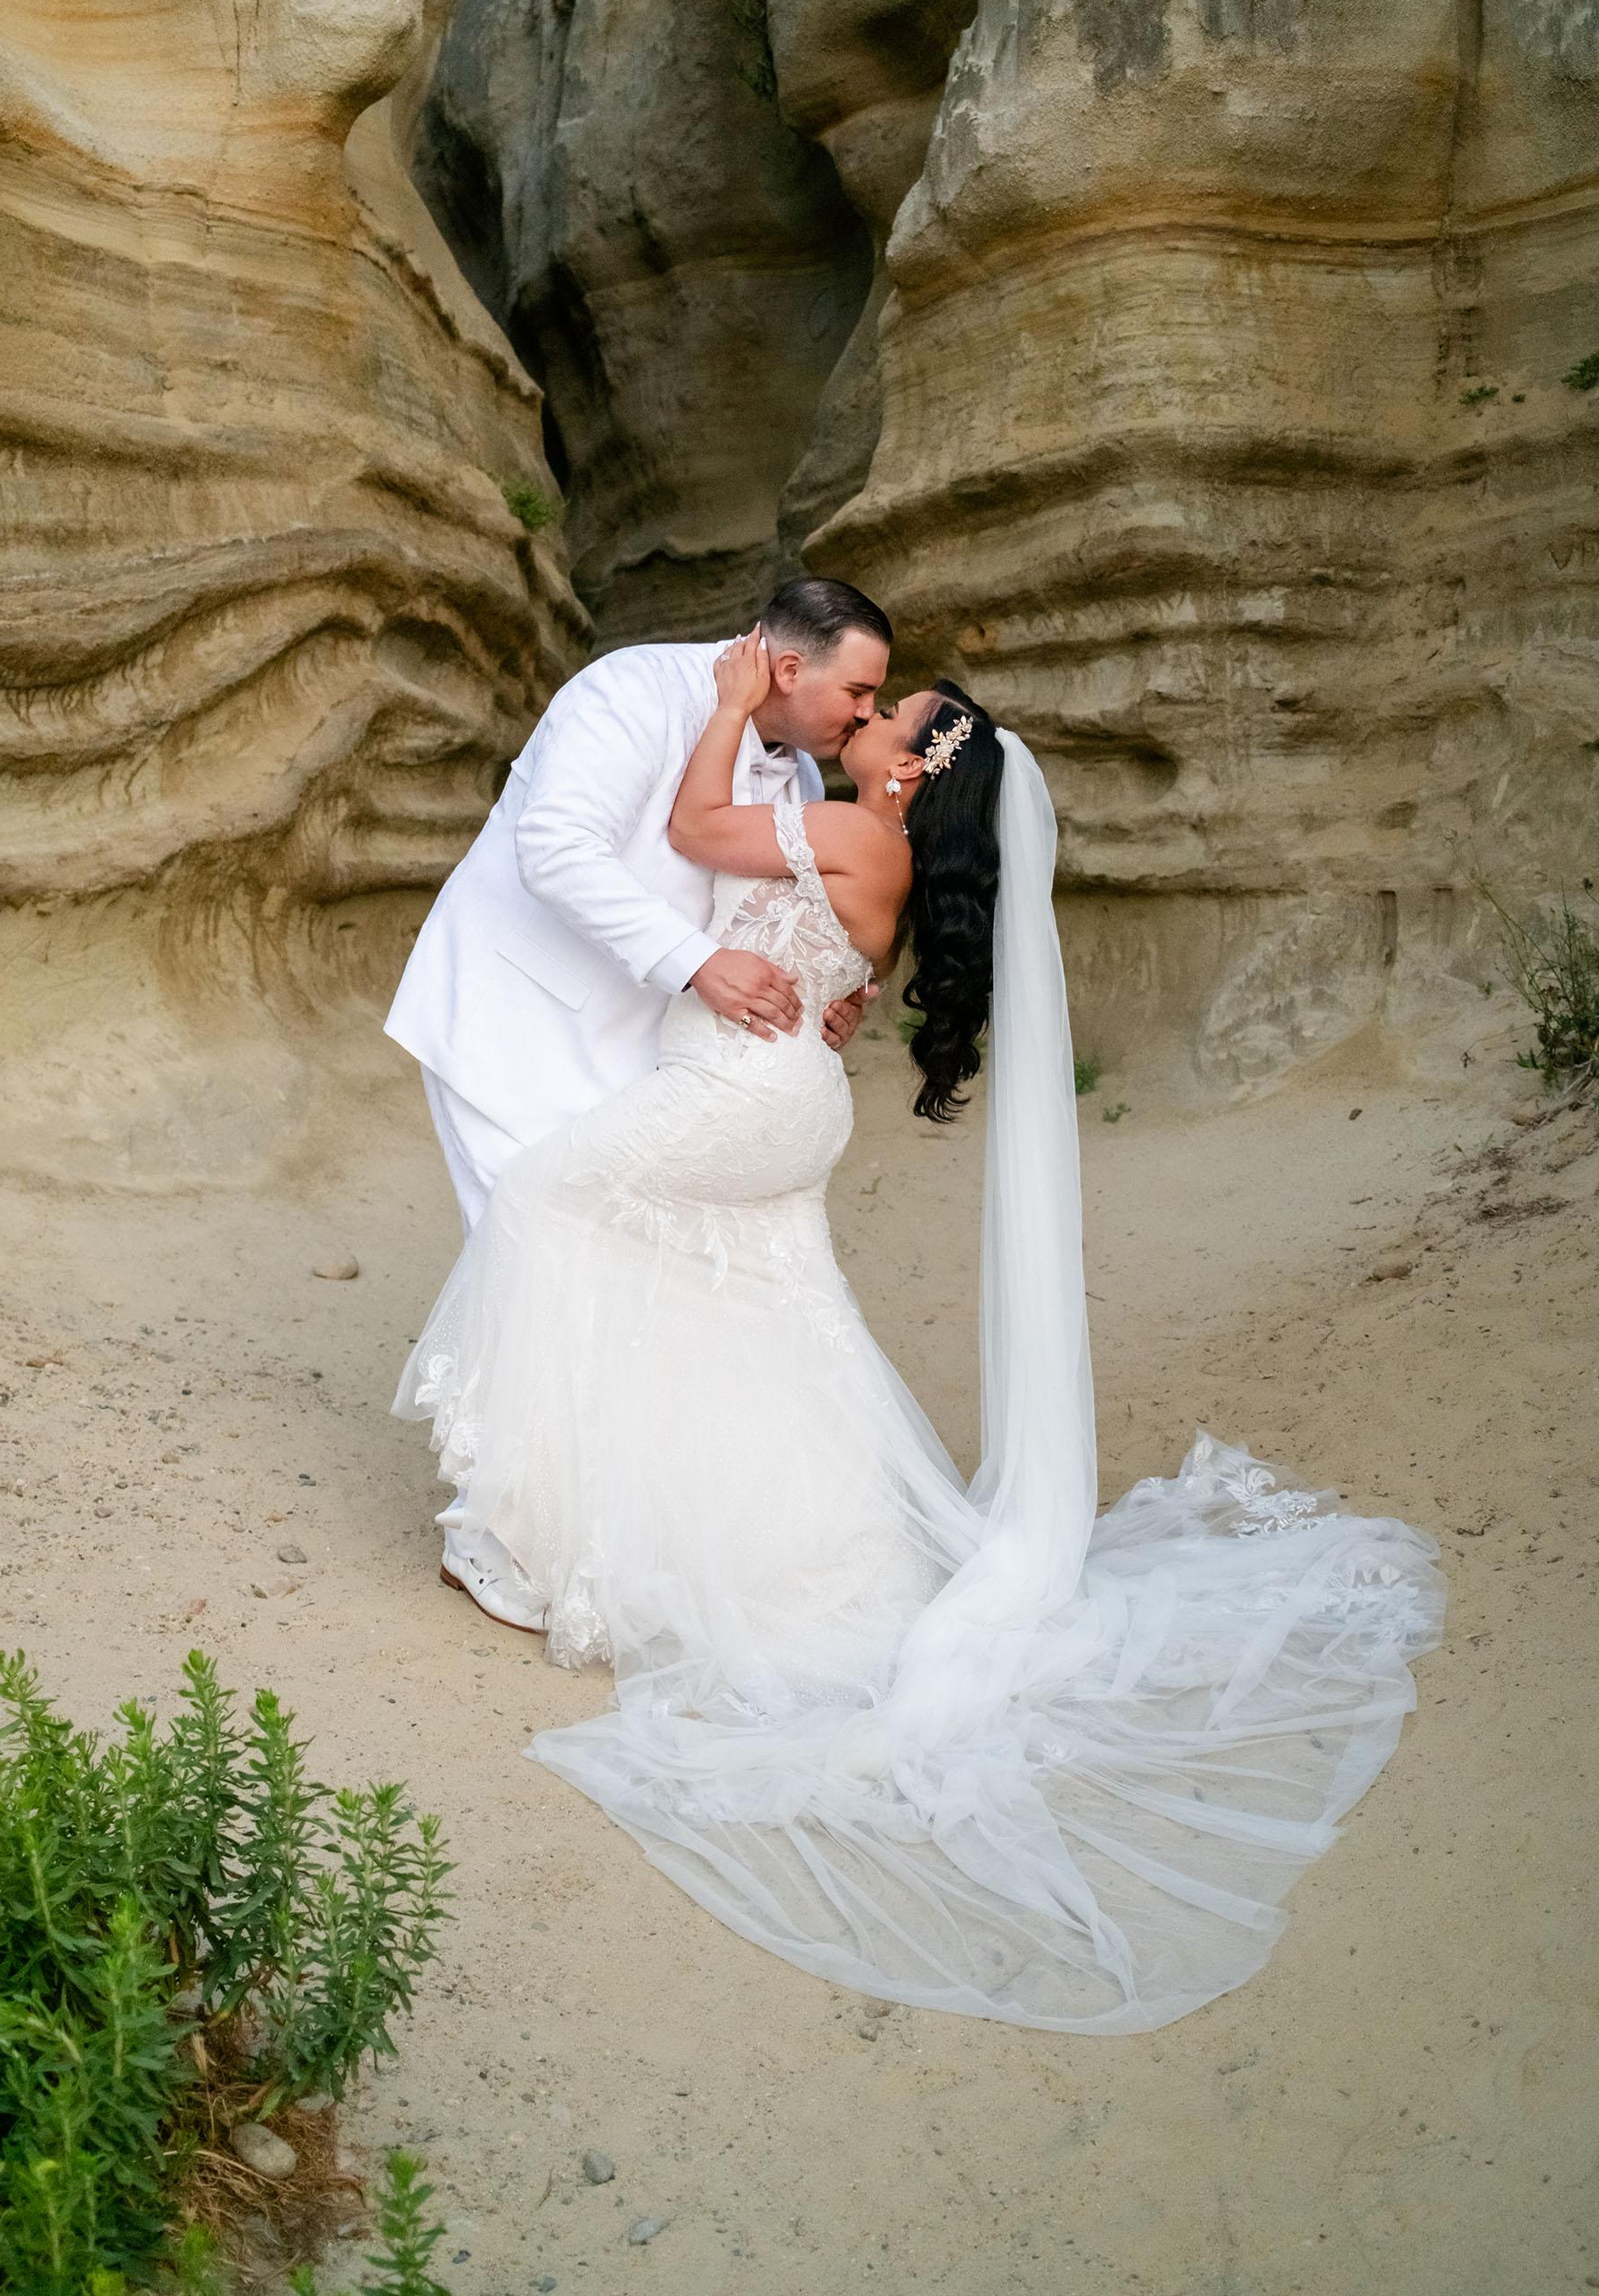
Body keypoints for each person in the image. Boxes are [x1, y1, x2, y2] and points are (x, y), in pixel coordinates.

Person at [388, 631, 1447, 2031]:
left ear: (913, 769)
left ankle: (527, 1527)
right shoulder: (863, 843)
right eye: (874, 698)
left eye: (896, 717)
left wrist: (717, 710)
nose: (874, 718)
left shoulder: (838, 818)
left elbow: (701, 827)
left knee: (541, 1203)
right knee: (765, 1327)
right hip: (780, 1099)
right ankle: (748, 1548)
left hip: (742, 1096)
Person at [382, 577, 893, 1625]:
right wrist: (699, 962)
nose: (863, 715)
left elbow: (786, 906)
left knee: (621, 1278)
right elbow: (555, 848)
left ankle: (613, 1529)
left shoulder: (797, 767)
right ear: (789, 669)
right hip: (513, 1015)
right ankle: (510, 1542)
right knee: (529, 1253)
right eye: (859, 691)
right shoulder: (628, 689)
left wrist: (830, 986)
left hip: (662, 1051)